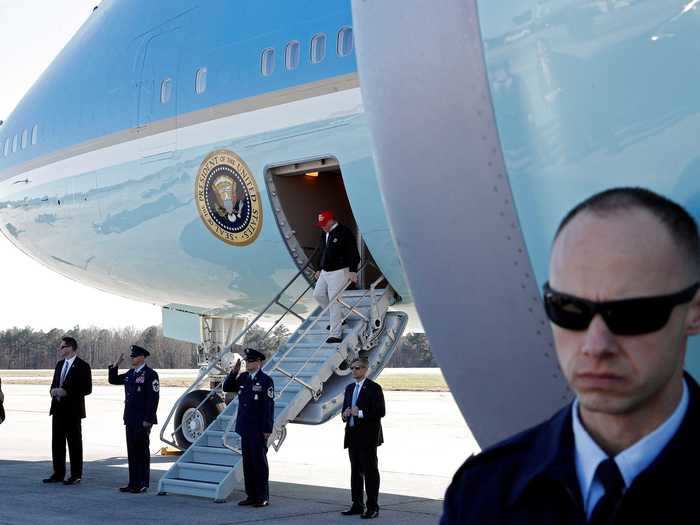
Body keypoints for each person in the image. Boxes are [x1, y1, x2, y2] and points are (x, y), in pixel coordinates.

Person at [441, 187, 700, 524]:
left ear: (695, 312)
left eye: (632, 313)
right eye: (568, 309)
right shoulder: (482, 492)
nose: (596, 345)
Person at [222, 348, 274, 507]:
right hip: (245, 427)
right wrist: (233, 372)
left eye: (250, 361)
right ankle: (251, 495)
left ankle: (262, 496)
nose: (247, 363)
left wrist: (267, 429)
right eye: (246, 361)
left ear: (258, 362)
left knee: (259, 463)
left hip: (258, 428)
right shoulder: (243, 377)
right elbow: (227, 387)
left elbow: (268, 406)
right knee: (248, 463)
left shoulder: (266, 380)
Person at [108, 345, 160, 494]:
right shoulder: (131, 373)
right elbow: (113, 380)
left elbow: (153, 398)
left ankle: (142, 483)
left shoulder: (150, 374)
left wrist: (148, 419)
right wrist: (115, 365)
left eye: (135, 356)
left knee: (141, 452)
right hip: (130, 418)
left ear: (142, 357)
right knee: (132, 452)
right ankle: (133, 482)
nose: (132, 358)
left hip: (142, 419)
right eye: (132, 356)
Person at [43, 336, 92, 485]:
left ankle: (76, 474)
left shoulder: (82, 366)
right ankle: (58, 473)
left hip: (73, 411)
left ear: (70, 348)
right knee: (57, 443)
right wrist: (52, 391)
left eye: (62, 346)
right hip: (57, 410)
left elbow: (87, 389)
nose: (60, 349)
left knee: (74, 443)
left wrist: (66, 392)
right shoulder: (59, 365)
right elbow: (54, 383)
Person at [341, 357, 385, 519]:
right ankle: (357, 504)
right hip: (352, 436)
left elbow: (380, 411)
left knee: (370, 472)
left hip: (368, 437)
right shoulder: (349, 388)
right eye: (352, 368)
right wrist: (345, 414)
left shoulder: (374, 388)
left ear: (365, 370)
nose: (354, 371)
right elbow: (346, 408)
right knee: (355, 472)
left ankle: (373, 507)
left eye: (357, 368)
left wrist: (359, 413)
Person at [312, 210, 361, 343]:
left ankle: (335, 334)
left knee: (334, 301)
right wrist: (318, 268)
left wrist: (352, 270)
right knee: (318, 295)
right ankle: (340, 319)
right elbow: (322, 251)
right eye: (321, 225)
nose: (322, 227)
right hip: (325, 271)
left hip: (340, 271)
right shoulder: (324, 233)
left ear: (331, 221)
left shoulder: (344, 232)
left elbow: (353, 253)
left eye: (324, 224)